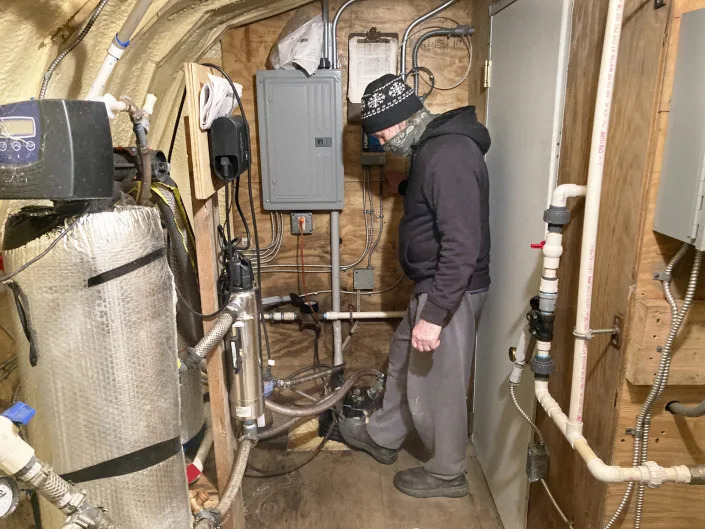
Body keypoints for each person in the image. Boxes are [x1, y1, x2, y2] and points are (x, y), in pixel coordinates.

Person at [338, 73, 491, 499]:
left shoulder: (449, 155)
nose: (382, 139)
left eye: (384, 128)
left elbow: (462, 242)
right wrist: (407, 188)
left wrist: (437, 314)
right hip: (436, 286)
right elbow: (442, 204)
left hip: (450, 291)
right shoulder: (433, 151)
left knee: (439, 383)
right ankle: (384, 437)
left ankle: (447, 472)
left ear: (406, 116)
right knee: (404, 358)